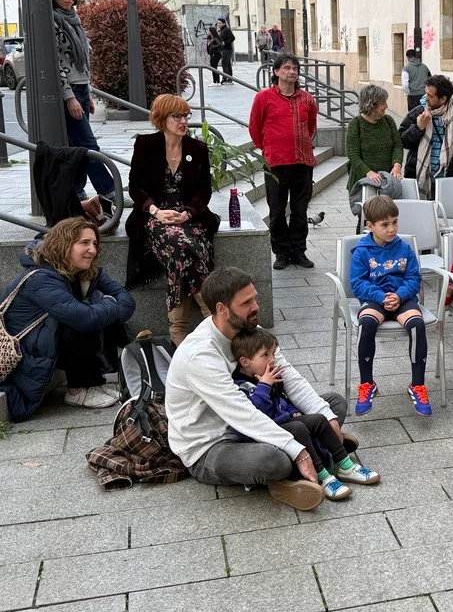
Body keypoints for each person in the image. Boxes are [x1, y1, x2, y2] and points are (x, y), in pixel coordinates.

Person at [165, 267, 357, 511]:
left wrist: (327, 417)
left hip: (264, 415)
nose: (256, 306)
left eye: (254, 298)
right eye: (246, 303)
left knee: (333, 404)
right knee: (273, 460)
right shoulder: (200, 355)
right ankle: (303, 461)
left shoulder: (248, 330)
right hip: (214, 444)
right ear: (223, 309)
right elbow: (241, 413)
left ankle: (315, 445)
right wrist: (297, 450)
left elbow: (289, 378)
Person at [0, 218, 135, 420]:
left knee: (97, 309)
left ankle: (94, 381)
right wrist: (109, 304)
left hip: (43, 341)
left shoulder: (84, 271)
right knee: (85, 316)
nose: (92, 250)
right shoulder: (41, 278)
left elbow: (126, 300)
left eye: (94, 243)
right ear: (63, 244)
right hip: (23, 351)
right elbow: (85, 318)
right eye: (84, 243)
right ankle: (78, 390)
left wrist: (108, 306)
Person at [231, 327, 379, 501]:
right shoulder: (240, 385)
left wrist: (292, 410)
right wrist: (264, 386)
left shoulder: (268, 373)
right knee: (298, 428)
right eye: (265, 355)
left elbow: (282, 398)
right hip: (266, 432)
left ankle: (345, 465)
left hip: (284, 420)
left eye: (273, 353)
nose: (272, 360)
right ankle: (322, 475)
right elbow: (254, 413)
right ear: (245, 362)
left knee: (319, 419)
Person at [126, 95, 219, 344]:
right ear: (161, 119)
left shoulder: (197, 149)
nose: (183, 121)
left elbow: (204, 191)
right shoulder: (146, 145)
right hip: (155, 216)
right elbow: (135, 187)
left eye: (185, 116)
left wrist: (187, 213)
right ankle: (214, 316)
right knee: (183, 246)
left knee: (184, 247)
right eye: (176, 116)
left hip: (189, 216)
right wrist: (155, 211)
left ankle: (178, 331)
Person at [350, 196, 431, 416]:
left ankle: (417, 385)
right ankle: (367, 383)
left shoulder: (405, 248)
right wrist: (380, 296)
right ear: (370, 226)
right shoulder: (362, 251)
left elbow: (414, 278)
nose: (392, 229)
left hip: (402, 298)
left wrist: (399, 295)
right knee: (367, 323)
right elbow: (357, 283)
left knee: (417, 324)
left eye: (394, 222)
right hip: (375, 299)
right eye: (384, 224)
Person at [50, 0, 116, 204]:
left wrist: (87, 92)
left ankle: (77, 190)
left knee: (78, 146)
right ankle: (109, 191)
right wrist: (69, 97)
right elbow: (56, 63)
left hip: (81, 89)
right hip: (68, 91)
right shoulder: (53, 21)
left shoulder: (73, 19)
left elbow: (82, 62)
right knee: (88, 144)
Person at [249, 54, 318, 270]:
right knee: (277, 210)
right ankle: (281, 252)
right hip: (276, 164)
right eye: (287, 68)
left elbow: (311, 127)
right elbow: (255, 126)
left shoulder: (307, 99)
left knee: (300, 210)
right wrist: (267, 148)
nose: (292, 71)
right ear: (276, 71)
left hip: (302, 162)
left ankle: (298, 251)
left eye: (295, 68)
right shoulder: (263, 97)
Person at [399, 74, 453, 198]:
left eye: (430, 96)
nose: (425, 98)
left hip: (448, 178)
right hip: (419, 176)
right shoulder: (418, 112)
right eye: (426, 93)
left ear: (443, 99)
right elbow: (402, 141)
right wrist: (418, 127)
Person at [345, 84, 403, 199]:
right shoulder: (355, 124)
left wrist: (397, 165)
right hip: (363, 182)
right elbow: (353, 155)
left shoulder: (388, 121)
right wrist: (368, 172)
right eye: (383, 103)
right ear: (372, 104)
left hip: (387, 181)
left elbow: (397, 145)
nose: (386, 106)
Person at [216, 18, 235, 82]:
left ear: (223, 23)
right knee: (227, 64)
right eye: (218, 23)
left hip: (227, 49)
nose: (218, 24)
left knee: (224, 64)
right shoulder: (222, 30)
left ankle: (226, 78)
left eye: (220, 23)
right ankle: (229, 78)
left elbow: (232, 38)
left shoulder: (226, 30)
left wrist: (225, 42)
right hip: (224, 49)